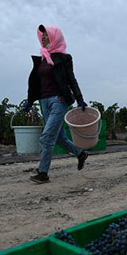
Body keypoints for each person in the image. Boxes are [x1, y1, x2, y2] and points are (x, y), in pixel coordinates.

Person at [22, 25, 88, 184]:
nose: (43, 37)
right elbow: (36, 83)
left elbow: (71, 79)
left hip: (58, 101)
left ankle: (43, 173)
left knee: (47, 137)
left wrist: (79, 98)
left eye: (46, 35)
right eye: (42, 35)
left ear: (54, 36)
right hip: (43, 101)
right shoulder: (42, 58)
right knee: (59, 138)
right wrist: (30, 101)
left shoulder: (64, 58)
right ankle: (80, 154)